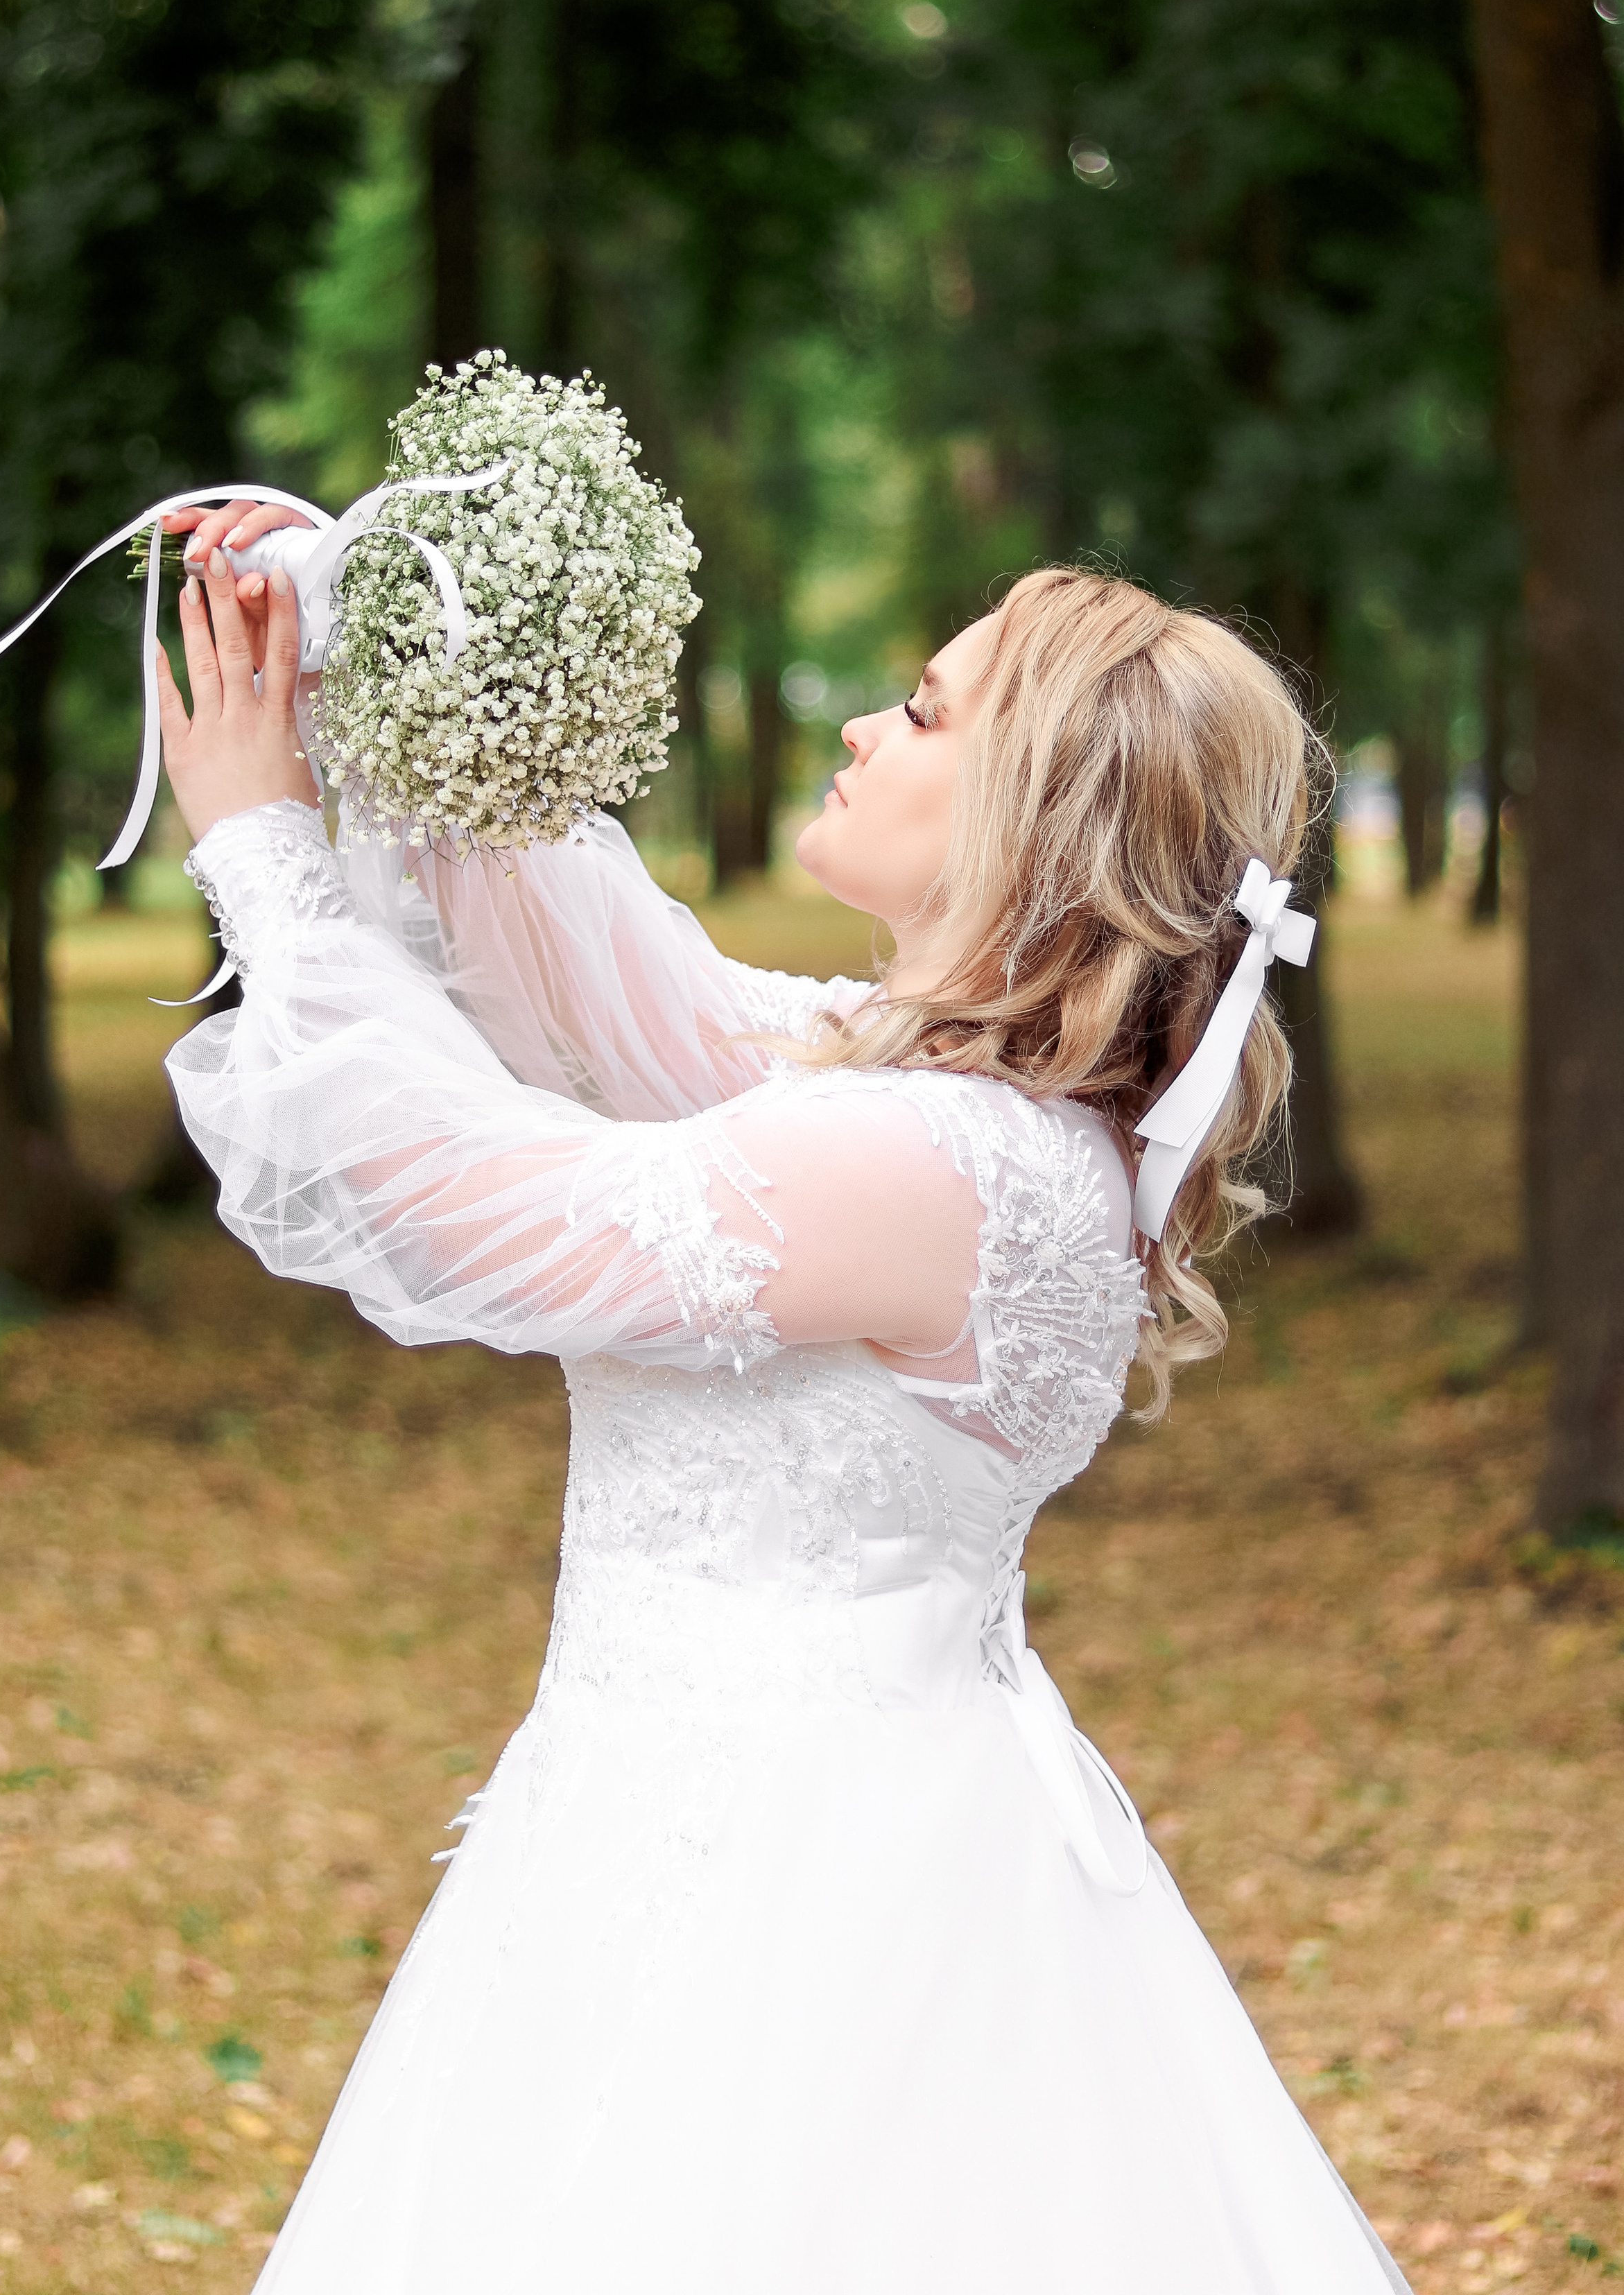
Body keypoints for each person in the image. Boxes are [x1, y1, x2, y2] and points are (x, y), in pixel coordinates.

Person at [153, 503, 1409, 2294]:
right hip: (701, 1821)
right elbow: (623, 993)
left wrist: (264, 853)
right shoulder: (950, 1117)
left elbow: (482, 1208)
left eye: (923, 708)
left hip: (785, 1917)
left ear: (1035, 824)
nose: (859, 731)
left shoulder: (932, 1164)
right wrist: (377, 616)